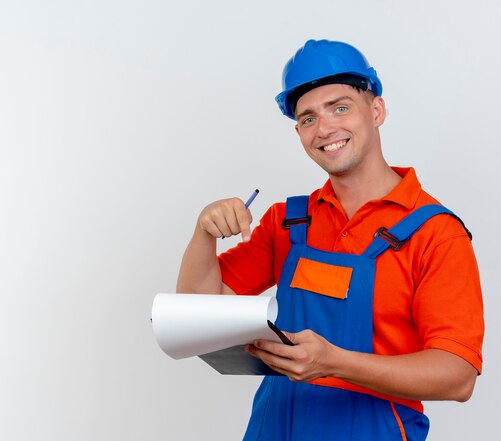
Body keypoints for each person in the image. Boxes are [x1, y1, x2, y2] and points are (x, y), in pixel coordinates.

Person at [177, 39, 484, 441]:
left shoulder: (435, 233)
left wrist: (334, 363)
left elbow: (458, 377)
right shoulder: (288, 222)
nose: (324, 129)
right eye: (307, 118)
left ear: (376, 111)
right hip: (274, 428)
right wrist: (203, 234)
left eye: (340, 107)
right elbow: (198, 312)